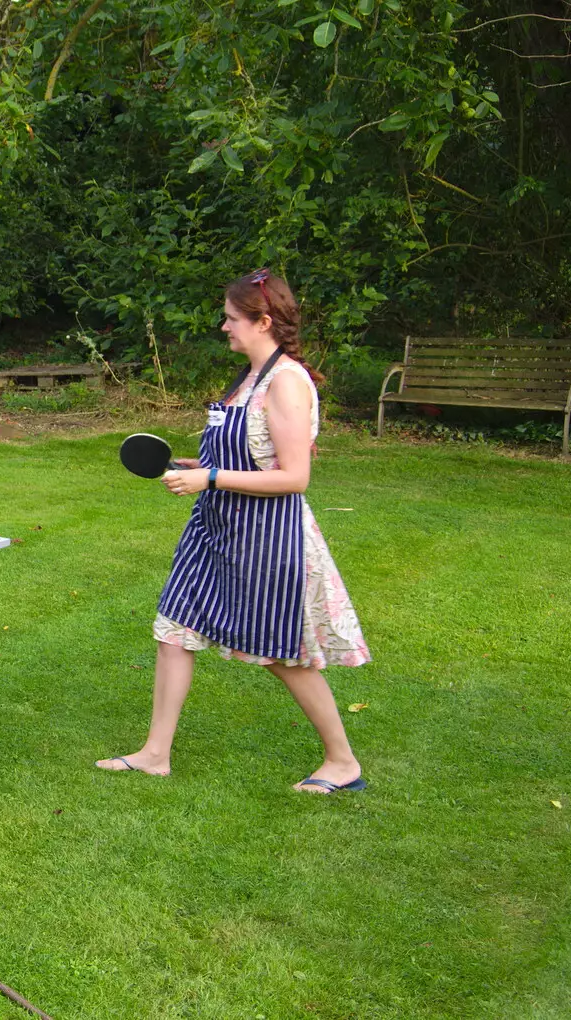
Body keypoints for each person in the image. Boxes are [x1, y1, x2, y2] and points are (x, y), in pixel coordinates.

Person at [97, 269, 371, 794]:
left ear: (263, 322)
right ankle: (156, 754)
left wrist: (212, 476)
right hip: (215, 530)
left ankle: (342, 761)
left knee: (280, 654)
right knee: (174, 630)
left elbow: (294, 476)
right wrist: (197, 465)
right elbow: (246, 451)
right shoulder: (249, 377)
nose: (223, 326)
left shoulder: (287, 382)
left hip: (266, 538)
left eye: (231, 318)